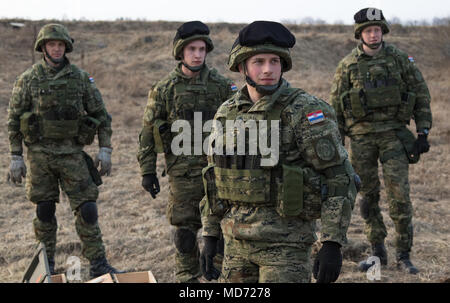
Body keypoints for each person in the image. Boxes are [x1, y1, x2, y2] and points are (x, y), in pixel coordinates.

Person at [199, 21, 358, 283]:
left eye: (275, 61)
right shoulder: (227, 113)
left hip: (286, 247)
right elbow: (215, 178)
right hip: (236, 244)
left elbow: (339, 177)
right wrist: (210, 234)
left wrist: (332, 243)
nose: (268, 70)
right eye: (258, 61)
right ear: (242, 66)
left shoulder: (305, 111)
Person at [7, 23, 122, 278]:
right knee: (44, 210)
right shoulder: (28, 79)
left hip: (72, 154)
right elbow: (14, 119)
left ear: (66, 48)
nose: (56, 49)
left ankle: (99, 263)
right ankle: (45, 264)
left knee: (88, 210)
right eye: (52, 45)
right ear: (43, 48)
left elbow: (101, 115)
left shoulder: (80, 79)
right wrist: (15, 156)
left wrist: (105, 149)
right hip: (40, 156)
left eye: (60, 45)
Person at [329, 8, 432, 274]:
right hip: (361, 139)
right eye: (368, 30)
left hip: (393, 136)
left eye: (377, 30)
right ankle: (377, 252)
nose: (373, 34)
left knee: (400, 195)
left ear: (383, 31)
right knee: (367, 196)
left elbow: (420, 94)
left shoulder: (400, 60)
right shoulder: (348, 65)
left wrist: (423, 131)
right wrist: (337, 146)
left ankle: (404, 255)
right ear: (359, 34)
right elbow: (335, 109)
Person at [137, 21, 236, 282]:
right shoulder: (164, 89)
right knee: (184, 234)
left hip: (218, 173)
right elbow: (148, 132)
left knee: (223, 233)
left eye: (202, 49)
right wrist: (147, 171)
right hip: (182, 174)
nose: (197, 54)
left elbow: (238, 128)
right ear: (180, 52)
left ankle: (220, 279)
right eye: (192, 48)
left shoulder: (222, 86)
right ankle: (187, 280)